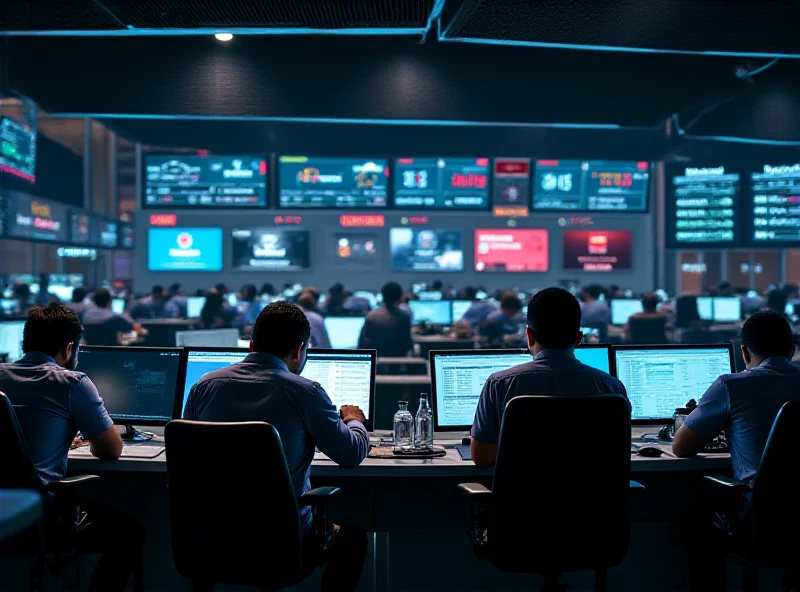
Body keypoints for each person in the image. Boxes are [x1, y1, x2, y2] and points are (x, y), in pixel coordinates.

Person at [184, 302, 368, 592]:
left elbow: (187, 457)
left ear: (252, 344)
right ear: (299, 349)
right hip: (280, 546)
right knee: (353, 539)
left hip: (210, 541)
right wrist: (355, 421)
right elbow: (352, 454)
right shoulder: (306, 393)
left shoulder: (203, 387)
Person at [0, 304, 144, 592]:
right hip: (42, 517)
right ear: (68, 349)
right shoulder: (72, 382)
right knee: (130, 531)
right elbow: (110, 451)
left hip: (6, 510)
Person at [673, 311, 800, 591]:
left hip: (763, 520)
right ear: (792, 350)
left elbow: (681, 448)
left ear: (744, 352)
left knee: (692, 513)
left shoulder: (732, 385)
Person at [470, 287, 628, 467]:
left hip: (523, 494)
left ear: (529, 336)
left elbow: (482, 458)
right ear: (579, 339)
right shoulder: (612, 388)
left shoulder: (499, 385)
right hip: (592, 494)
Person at [358, 282, 413, 357]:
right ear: (400, 297)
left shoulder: (371, 316)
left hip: (376, 362)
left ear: (383, 296)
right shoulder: (404, 317)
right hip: (397, 362)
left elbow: (361, 343)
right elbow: (407, 345)